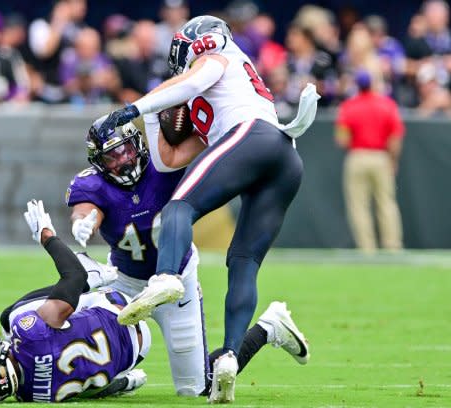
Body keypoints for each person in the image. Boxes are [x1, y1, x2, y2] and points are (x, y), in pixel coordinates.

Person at [95, 15, 318, 403]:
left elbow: (195, 80)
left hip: (253, 135)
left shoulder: (218, 56)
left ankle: (165, 276)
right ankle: (231, 353)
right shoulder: (214, 98)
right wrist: (148, 116)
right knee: (243, 260)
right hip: (284, 157)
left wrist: (133, 108)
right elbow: (169, 160)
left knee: (179, 206)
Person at [69, 117, 310, 399]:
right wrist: (81, 222)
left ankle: (269, 328)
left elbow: (222, 145)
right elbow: (86, 210)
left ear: (138, 144)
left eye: (127, 150)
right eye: (112, 156)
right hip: (125, 283)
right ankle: (104, 376)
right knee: (79, 315)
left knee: (195, 388)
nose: (123, 161)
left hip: (176, 280)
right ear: (98, 162)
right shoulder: (92, 185)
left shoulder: (166, 165)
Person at [0, 200, 150, 403]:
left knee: (63, 357)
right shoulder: (29, 333)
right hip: (118, 309)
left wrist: (125, 383)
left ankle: (121, 376)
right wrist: (46, 236)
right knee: (10, 317)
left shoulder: (30, 396)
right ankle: (94, 275)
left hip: (135, 353)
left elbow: (87, 392)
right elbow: (74, 276)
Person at [335, 71, 404, 253]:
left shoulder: (349, 106)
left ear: (356, 85)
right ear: (372, 84)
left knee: (359, 205)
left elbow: (341, 139)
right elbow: (395, 137)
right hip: (381, 157)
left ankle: (367, 250)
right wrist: (393, 160)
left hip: (357, 156)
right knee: (387, 203)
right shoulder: (386, 105)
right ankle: (392, 247)